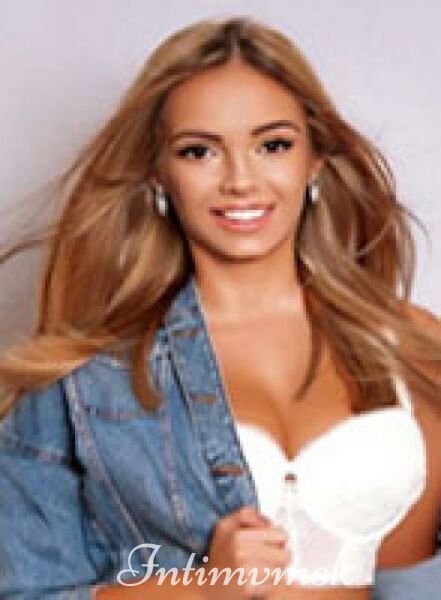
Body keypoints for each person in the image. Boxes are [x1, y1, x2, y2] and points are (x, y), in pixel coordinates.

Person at [0, 14, 440, 600]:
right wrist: (202, 589)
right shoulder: (85, 380)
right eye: (199, 152)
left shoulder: (408, 345)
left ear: (314, 159)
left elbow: (413, 581)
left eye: (273, 145)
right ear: (158, 176)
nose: (240, 180)